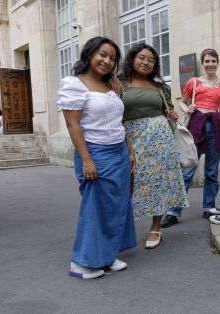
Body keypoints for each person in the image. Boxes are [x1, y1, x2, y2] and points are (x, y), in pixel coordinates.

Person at [56, 36, 137, 279]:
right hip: (95, 152)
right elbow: (73, 126)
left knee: (117, 204)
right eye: (102, 54)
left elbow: (118, 122)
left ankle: (107, 256)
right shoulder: (74, 84)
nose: (107, 60)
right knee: (96, 207)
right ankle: (81, 263)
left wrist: (130, 150)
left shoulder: (111, 85)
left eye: (112, 58)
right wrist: (87, 160)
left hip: (119, 151)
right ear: (90, 54)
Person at [121, 43, 188, 248]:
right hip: (128, 137)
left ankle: (155, 228)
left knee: (157, 182)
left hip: (160, 139)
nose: (146, 62)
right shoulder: (118, 82)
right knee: (127, 182)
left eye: (151, 60)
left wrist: (173, 116)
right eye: (142, 57)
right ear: (132, 58)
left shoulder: (159, 86)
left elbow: (167, 111)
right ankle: (121, 228)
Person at [160, 48, 220, 228]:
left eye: (213, 61)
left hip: (215, 128)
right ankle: (173, 211)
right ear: (203, 63)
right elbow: (182, 102)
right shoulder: (194, 82)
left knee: (212, 172)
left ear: (217, 62)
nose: (210, 64)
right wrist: (187, 109)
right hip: (196, 126)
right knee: (187, 170)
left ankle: (208, 207)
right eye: (207, 61)